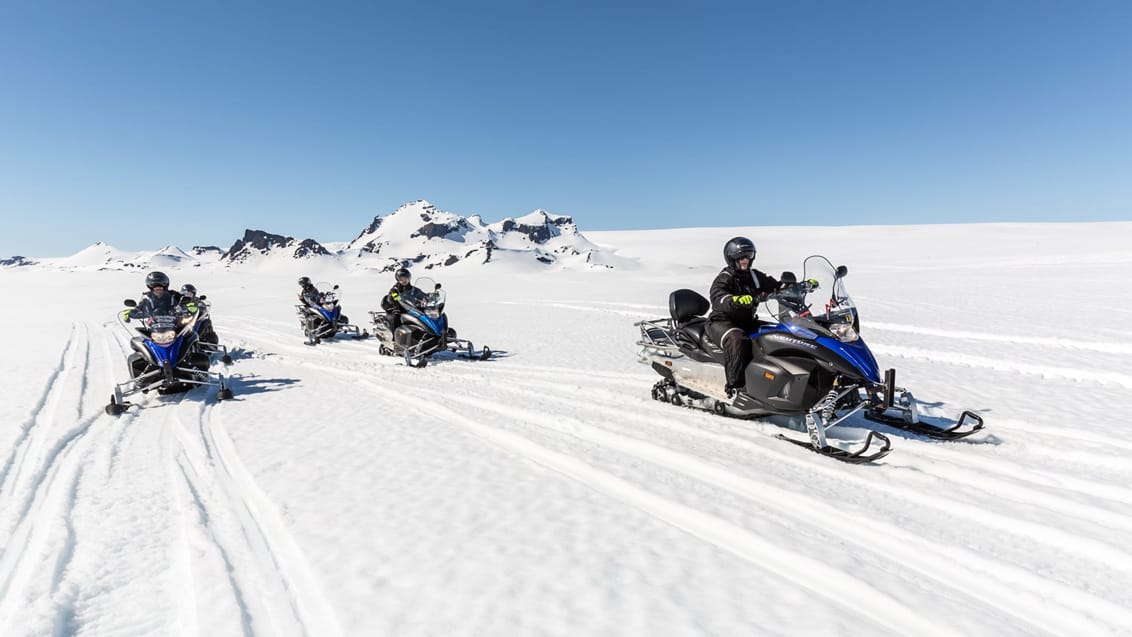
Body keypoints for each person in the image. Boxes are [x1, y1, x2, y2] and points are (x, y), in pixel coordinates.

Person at [707, 237, 779, 398]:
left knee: (774, 333)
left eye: (748, 255)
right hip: (722, 321)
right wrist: (735, 300)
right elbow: (718, 298)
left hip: (747, 321)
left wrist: (797, 286)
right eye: (740, 257)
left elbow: (775, 286)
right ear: (731, 258)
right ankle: (735, 387)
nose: (745, 260)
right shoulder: (725, 277)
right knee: (736, 339)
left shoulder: (754, 276)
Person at [123, 271, 188, 322]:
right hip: (154, 327)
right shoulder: (147, 298)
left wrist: (186, 307)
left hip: (174, 326)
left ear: (165, 286)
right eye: (155, 287)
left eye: (160, 287)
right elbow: (140, 308)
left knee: (191, 336)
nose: (158, 289)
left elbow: (185, 302)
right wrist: (131, 312)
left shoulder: (174, 295)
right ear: (151, 287)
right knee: (139, 339)